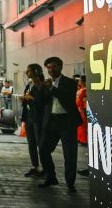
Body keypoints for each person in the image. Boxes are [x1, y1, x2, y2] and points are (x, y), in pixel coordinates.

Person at [38, 57, 80, 191]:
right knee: (43, 149)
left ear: (61, 67)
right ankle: (51, 177)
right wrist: (39, 88)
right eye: (48, 68)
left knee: (70, 154)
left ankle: (70, 183)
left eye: (54, 67)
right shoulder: (46, 83)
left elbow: (68, 99)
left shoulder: (70, 83)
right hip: (52, 122)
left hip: (67, 121)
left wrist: (52, 88)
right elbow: (44, 102)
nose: (51, 70)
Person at [20, 63, 48, 178]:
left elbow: (44, 102)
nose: (27, 73)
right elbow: (27, 98)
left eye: (29, 71)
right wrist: (24, 100)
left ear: (36, 72)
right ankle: (35, 166)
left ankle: (46, 168)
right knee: (31, 142)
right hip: (28, 116)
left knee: (40, 143)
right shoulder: (29, 84)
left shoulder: (42, 85)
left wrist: (32, 98)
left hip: (38, 117)